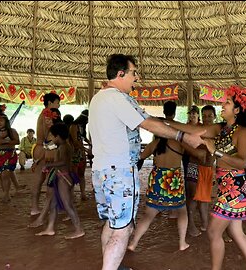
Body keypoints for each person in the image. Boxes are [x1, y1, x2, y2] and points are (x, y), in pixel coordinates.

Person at [88, 54, 204, 270]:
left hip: (101, 170)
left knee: (113, 224)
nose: (136, 78)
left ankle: (112, 265)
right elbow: (147, 123)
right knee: (123, 229)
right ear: (120, 73)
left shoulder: (99, 98)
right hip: (119, 172)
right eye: (133, 73)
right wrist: (183, 136)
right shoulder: (116, 98)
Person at [166, 86, 246, 270]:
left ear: (236, 110)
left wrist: (214, 150)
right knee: (236, 232)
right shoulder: (220, 128)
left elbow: (242, 162)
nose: (222, 105)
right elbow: (191, 129)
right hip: (227, 187)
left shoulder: (244, 132)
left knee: (213, 231)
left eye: (227, 102)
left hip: (236, 188)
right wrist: (165, 122)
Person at [127, 121, 206, 252]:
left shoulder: (155, 144)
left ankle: (133, 243)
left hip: (157, 178)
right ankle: (182, 243)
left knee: (149, 214)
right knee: (182, 211)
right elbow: (198, 154)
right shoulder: (178, 142)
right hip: (172, 179)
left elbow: (140, 156)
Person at [35, 123, 84, 239]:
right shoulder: (62, 146)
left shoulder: (64, 147)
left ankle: (79, 229)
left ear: (57, 136)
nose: (50, 138)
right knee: (53, 204)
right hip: (60, 176)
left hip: (64, 178)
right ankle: (50, 228)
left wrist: (48, 165)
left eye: (52, 136)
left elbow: (63, 162)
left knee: (68, 205)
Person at [30, 92, 61, 215]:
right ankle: (48, 208)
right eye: (57, 103)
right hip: (47, 148)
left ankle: (34, 207)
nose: (59, 105)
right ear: (50, 103)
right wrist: (50, 149)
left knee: (39, 179)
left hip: (40, 148)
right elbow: (49, 135)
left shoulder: (42, 114)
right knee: (50, 180)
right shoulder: (48, 114)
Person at [193, 105, 217, 232]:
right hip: (199, 168)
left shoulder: (218, 131)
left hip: (210, 169)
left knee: (205, 198)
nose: (207, 119)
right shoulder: (198, 130)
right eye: (205, 116)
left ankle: (205, 223)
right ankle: (205, 225)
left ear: (215, 117)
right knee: (203, 199)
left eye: (210, 116)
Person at [0, 113, 20, 202]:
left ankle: (6, 194)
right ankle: (6, 193)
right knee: (1, 176)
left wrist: (3, 142)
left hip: (10, 155)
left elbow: (17, 141)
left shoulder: (12, 131)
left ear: (6, 121)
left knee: (5, 174)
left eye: (1, 120)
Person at [183, 105, 203, 237]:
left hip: (202, 162)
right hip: (189, 160)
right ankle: (190, 223)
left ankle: (199, 221)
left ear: (198, 116)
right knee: (192, 192)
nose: (192, 116)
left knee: (200, 192)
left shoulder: (202, 128)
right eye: (190, 114)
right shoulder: (185, 128)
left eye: (194, 114)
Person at [69, 111, 91, 201]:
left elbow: (83, 138)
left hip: (81, 153)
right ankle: (71, 194)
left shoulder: (82, 127)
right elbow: (75, 141)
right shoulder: (74, 126)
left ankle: (83, 193)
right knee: (73, 174)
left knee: (81, 173)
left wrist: (89, 143)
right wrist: (86, 150)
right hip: (74, 153)